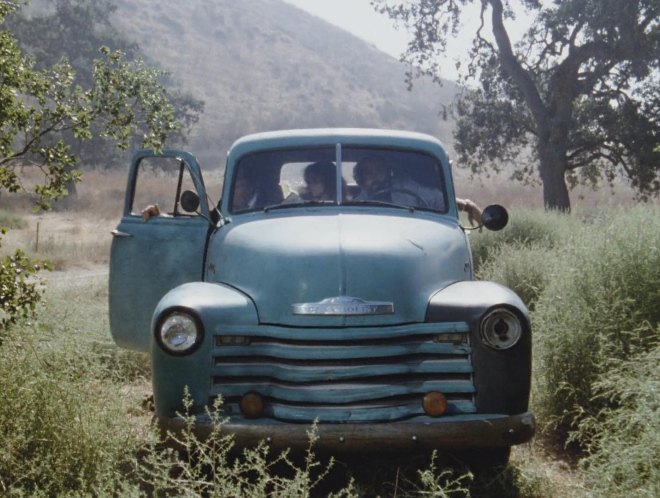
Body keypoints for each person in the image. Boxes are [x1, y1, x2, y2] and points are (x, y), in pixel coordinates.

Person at [353, 156, 481, 226]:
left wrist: (467, 206)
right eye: (369, 173)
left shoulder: (406, 188)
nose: (375, 177)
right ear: (361, 180)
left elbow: (438, 200)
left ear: (387, 172)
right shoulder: (356, 206)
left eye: (379, 170)